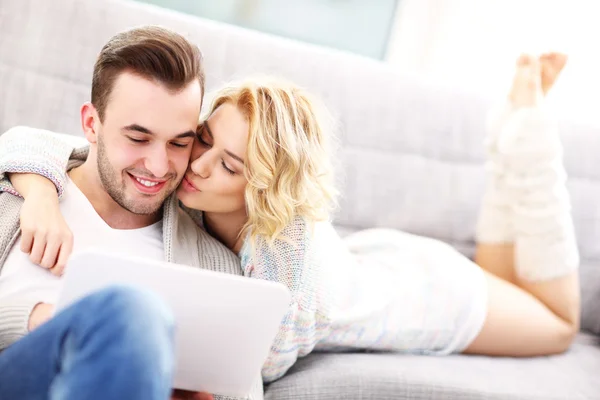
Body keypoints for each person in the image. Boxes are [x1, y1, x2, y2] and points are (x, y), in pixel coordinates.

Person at [0, 52, 579, 385]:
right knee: (510, 274)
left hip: (424, 295)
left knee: (556, 321)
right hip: (369, 253)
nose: (190, 165)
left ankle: (525, 133)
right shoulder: (178, 174)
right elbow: (39, 142)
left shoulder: (292, 265)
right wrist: (42, 195)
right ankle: (512, 132)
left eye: (228, 165)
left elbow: (261, 358)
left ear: (263, 188)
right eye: (200, 139)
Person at [0, 25, 248, 400]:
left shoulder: (216, 267)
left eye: (180, 143)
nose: (159, 165)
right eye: (138, 138)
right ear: (90, 124)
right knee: (131, 310)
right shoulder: (17, 197)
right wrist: (49, 320)